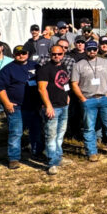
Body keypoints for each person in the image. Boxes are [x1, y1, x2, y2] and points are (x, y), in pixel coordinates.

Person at [70, 39, 107, 161]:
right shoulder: (78, 65)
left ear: (97, 49)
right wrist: (82, 99)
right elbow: (74, 83)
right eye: (89, 49)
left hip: (105, 98)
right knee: (89, 127)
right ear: (86, 50)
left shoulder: (105, 62)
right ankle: (91, 152)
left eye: (94, 49)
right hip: (89, 100)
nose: (92, 51)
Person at [0, 45, 42, 169]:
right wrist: (7, 103)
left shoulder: (35, 66)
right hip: (17, 107)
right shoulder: (8, 69)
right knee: (16, 133)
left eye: (24, 53)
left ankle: (37, 153)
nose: (21, 55)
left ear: (28, 54)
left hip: (34, 106)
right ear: (14, 55)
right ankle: (14, 158)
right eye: (18, 53)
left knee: (36, 131)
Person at [36, 44, 72, 175]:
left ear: (63, 54)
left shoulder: (63, 66)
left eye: (59, 54)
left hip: (63, 105)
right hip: (53, 107)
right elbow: (41, 88)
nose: (57, 56)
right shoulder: (44, 69)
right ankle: (52, 162)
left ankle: (58, 157)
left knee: (60, 134)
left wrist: (67, 95)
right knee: (51, 135)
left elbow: (64, 82)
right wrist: (48, 105)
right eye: (54, 54)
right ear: (50, 55)